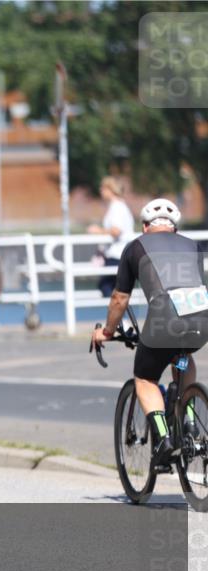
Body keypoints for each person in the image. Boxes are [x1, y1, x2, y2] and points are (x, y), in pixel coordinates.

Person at [91, 198, 208, 471]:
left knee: (145, 378)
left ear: (145, 226)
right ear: (175, 228)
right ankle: (190, 419)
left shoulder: (135, 247)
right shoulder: (193, 245)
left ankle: (164, 439)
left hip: (164, 319)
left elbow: (119, 299)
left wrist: (107, 331)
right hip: (201, 316)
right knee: (183, 356)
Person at [88, 176, 136, 297]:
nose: (100, 190)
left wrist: (97, 231)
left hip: (117, 255)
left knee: (106, 286)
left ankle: (117, 309)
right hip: (118, 254)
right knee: (115, 288)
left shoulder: (117, 207)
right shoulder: (118, 206)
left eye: (103, 188)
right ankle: (120, 309)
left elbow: (116, 231)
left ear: (111, 189)